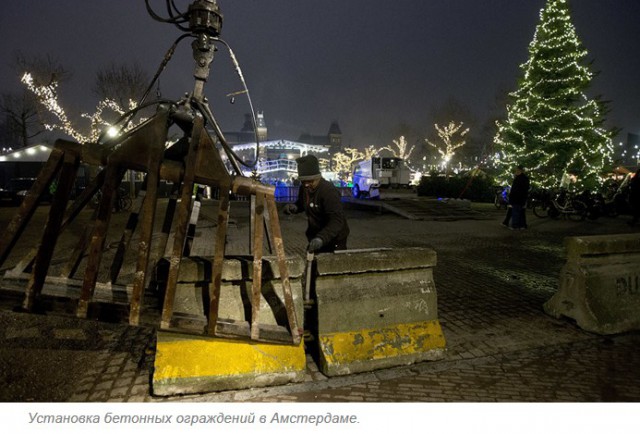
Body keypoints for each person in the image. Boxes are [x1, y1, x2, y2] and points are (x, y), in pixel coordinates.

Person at [283, 155, 349, 253]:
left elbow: (336, 221)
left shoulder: (328, 191)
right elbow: (302, 203)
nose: (306, 184)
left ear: (317, 177)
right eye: (303, 181)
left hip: (334, 239)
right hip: (316, 235)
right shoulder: (304, 188)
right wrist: (295, 207)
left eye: (310, 181)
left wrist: (321, 238)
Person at [508, 165, 530, 230]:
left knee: (516, 212)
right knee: (520, 212)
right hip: (521, 198)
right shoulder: (525, 178)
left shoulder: (518, 179)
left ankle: (515, 226)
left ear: (519, 170)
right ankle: (521, 225)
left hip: (517, 198)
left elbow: (515, 189)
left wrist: (511, 196)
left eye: (516, 170)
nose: (515, 171)